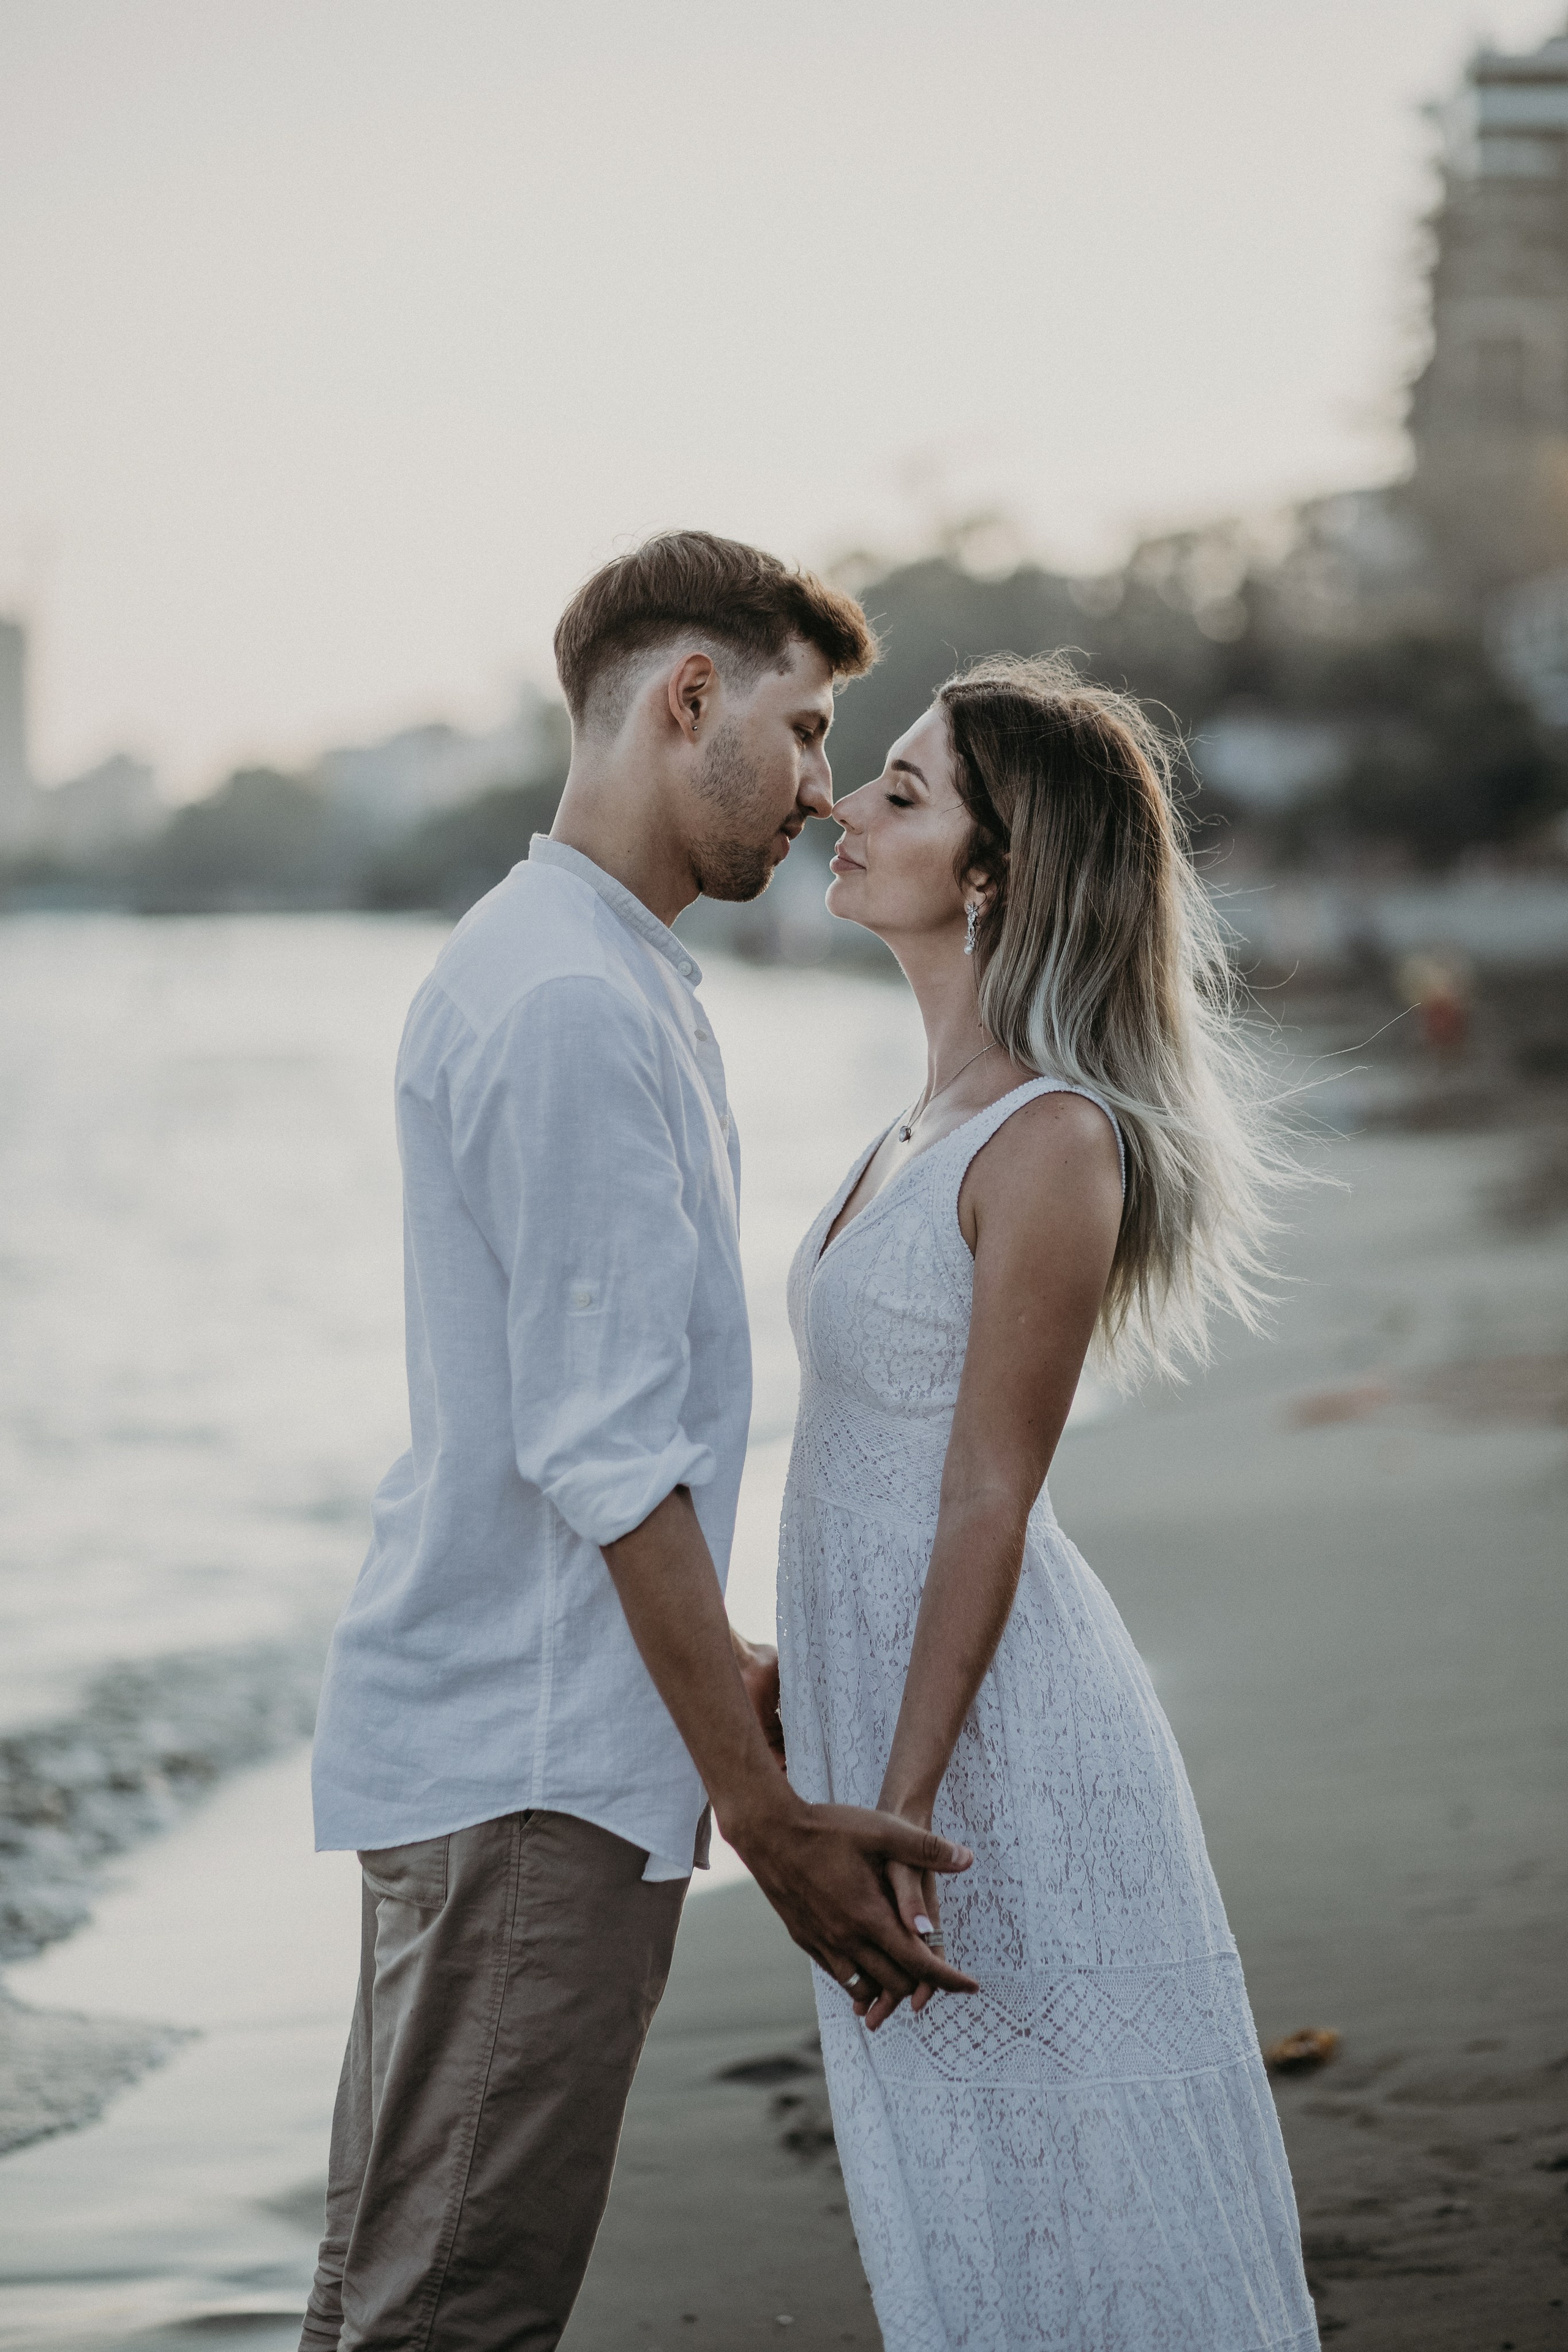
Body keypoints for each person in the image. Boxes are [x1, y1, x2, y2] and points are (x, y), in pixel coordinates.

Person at [300, 532, 978, 2352]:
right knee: (448, 2315)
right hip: (534, 1771)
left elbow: (583, 1430)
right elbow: (603, 1460)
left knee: (397, 2297)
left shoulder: (589, 973)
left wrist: (728, 1671)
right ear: (693, 701)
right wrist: (762, 1814)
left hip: (522, 1735)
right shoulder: (574, 1003)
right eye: (812, 729)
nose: (827, 792)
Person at [777, 654, 1318, 2350]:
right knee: (959, 2170)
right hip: (887, 1701)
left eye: (905, 794)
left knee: (1071, 2172)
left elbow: (989, 1500)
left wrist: (900, 1806)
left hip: (989, 1742)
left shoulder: (1052, 1140)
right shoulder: (913, 1127)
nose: (841, 809)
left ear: (996, 876)